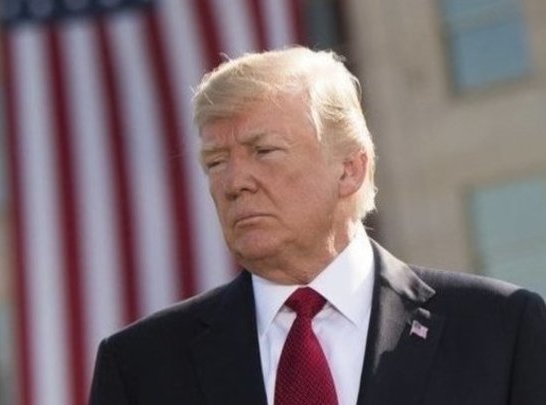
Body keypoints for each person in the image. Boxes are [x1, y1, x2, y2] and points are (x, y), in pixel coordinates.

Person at [89, 47, 546, 405]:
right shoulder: (140, 366)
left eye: (263, 151)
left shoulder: (502, 329)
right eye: (215, 161)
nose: (234, 182)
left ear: (349, 170)